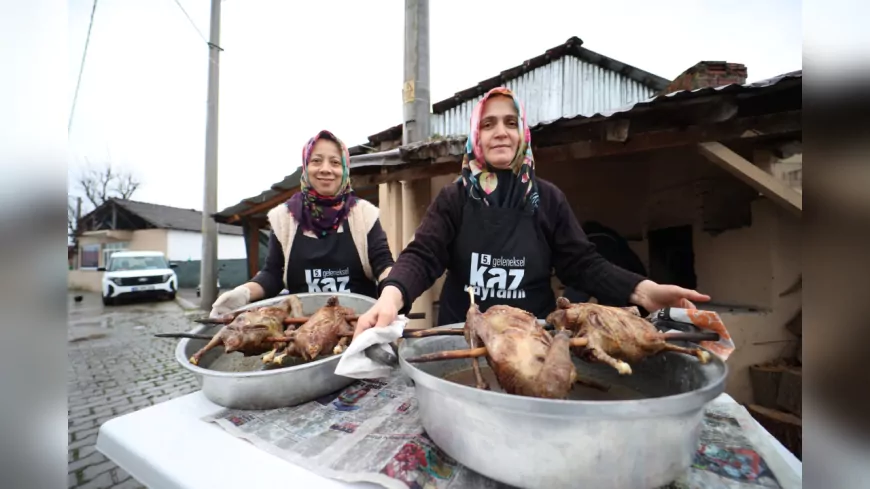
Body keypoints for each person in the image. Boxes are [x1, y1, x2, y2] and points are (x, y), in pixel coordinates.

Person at [354, 87, 709, 336]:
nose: (500, 132)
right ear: (475, 135)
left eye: (510, 123)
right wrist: (391, 296)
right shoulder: (455, 198)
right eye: (488, 124)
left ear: (523, 132)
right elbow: (423, 255)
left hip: (532, 339)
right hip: (462, 338)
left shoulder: (548, 199)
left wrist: (643, 291)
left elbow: (583, 264)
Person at [209, 130, 395, 317]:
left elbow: (383, 264)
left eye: (335, 162)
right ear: (306, 167)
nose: (325, 169)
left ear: (345, 169)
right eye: (316, 161)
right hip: (299, 325)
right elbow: (273, 274)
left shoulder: (364, 214)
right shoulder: (284, 218)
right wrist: (244, 293)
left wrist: (393, 291)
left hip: (359, 323)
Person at [562, 220, 648, 310]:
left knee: (570, 305)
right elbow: (636, 266)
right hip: (623, 279)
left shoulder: (586, 246)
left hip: (591, 267)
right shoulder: (617, 243)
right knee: (613, 307)